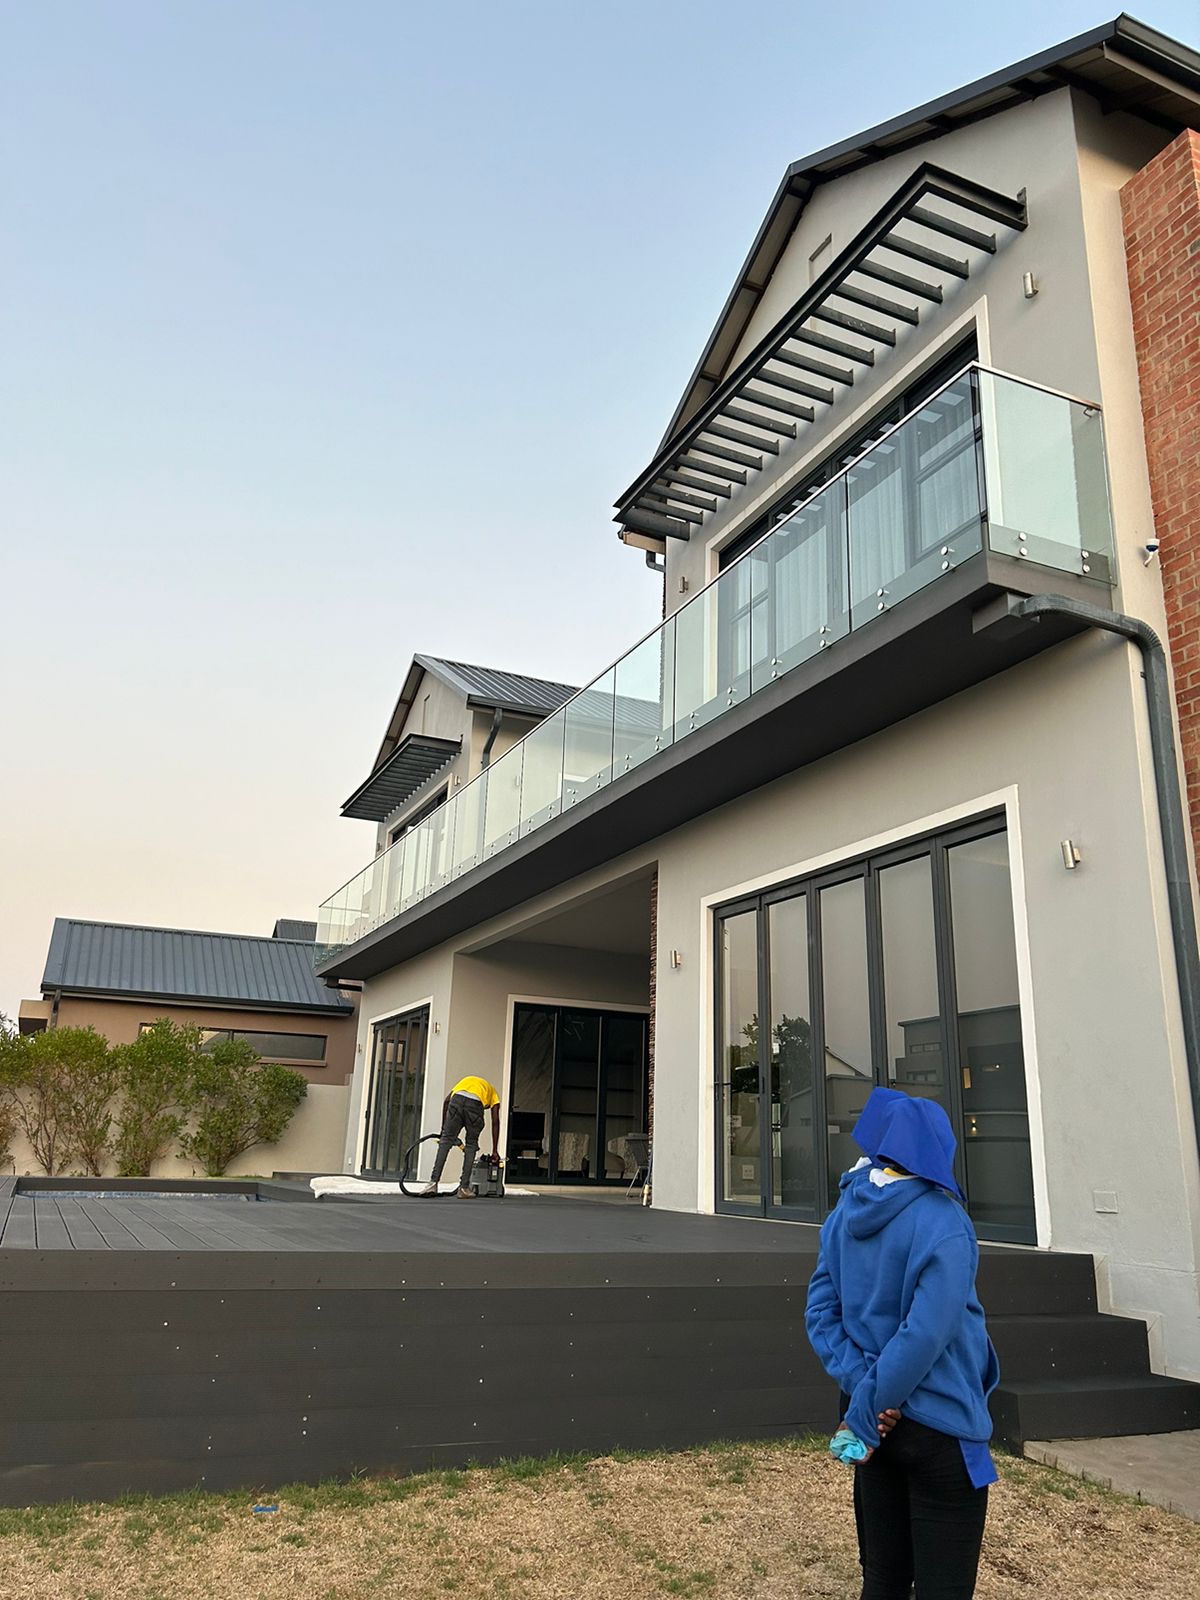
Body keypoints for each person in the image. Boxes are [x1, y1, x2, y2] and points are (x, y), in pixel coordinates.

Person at [805, 1086, 999, 1600]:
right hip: (938, 1422)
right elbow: (926, 1334)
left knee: (883, 1580)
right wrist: (870, 1409)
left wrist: (862, 1399)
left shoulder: (844, 1212)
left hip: (873, 1426)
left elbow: (820, 1313)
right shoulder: (945, 1222)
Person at [421, 1075, 501, 1198]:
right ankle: (464, 1188)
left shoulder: (464, 1082)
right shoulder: (493, 1093)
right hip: (475, 1105)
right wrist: (495, 1150)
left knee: (445, 1141)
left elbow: (446, 1101)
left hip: (456, 1100)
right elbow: (495, 1121)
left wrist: (444, 1130)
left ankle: (432, 1184)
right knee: (471, 1145)